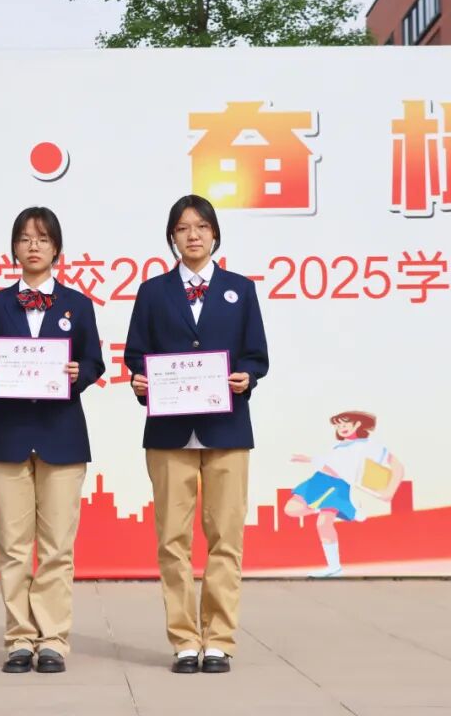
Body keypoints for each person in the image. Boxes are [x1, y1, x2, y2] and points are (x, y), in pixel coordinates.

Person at [123, 194, 269, 674]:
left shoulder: (240, 290)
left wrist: (247, 377)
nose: (193, 235)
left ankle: (219, 640)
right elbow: (136, 354)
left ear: (215, 234)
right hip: (169, 432)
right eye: (183, 228)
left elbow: (256, 355)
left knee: (226, 537)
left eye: (202, 226)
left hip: (227, 429)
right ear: (172, 237)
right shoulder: (153, 292)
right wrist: (141, 380)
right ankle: (185, 639)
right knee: (172, 540)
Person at [0, 206, 105, 674]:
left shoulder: (78, 304)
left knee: (56, 547)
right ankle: (18, 638)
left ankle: (52, 639)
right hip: (6, 437)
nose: (33, 246)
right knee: (13, 546)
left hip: (61, 437)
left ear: (57, 249)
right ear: (13, 248)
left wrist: (78, 372)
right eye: (25, 238)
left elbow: (95, 362)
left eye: (43, 238)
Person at [285, 411, 405, 578]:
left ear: (357, 424)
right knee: (291, 509)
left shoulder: (369, 445)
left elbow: (397, 466)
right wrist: (311, 461)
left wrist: (389, 491)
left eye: (345, 424)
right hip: (319, 480)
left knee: (323, 524)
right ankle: (349, 510)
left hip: (337, 486)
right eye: (338, 425)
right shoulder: (338, 446)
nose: (341, 428)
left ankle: (334, 568)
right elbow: (331, 466)